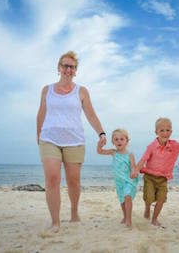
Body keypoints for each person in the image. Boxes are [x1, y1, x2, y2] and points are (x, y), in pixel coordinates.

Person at [36, 50, 106, 232]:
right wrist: (39, 137)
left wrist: (101, 133)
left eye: (72, 67)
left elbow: (90, 114)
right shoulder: (47, 90)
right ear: (58, 68)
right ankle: (55, 222)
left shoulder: (81, 91)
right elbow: (41, 114)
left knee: (73, 181)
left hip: (74, 141)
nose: (68, 69)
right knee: (52, 178)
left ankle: (74, 213)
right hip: (49, 139)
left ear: (76, 71)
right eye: (65, 66)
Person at [134, 118, 179, 226]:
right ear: (156, 132)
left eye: (167, 130)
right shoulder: (151, 146)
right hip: (150, 176)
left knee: (161, 199)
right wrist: (136, 170)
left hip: (163, 178)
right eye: (161, 130)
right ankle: (147, 207)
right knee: (149, 197)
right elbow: (143, 160)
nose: (165, 133)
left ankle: (154, 219)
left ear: (171, 132)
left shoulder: (174, 145)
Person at [96, 129, 139, 227]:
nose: (119, 141)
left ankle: (129, 219)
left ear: (126, 141)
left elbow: (133, 166)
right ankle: (124, 216)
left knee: (127, 197)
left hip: (128, 180)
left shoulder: (130, 154)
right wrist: (99, 145)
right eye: (116, 139)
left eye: (122, 139)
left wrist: (133, 171)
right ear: (113, 142)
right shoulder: (113, 152)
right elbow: (100, 152)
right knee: (122, 200)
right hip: (119, 182)